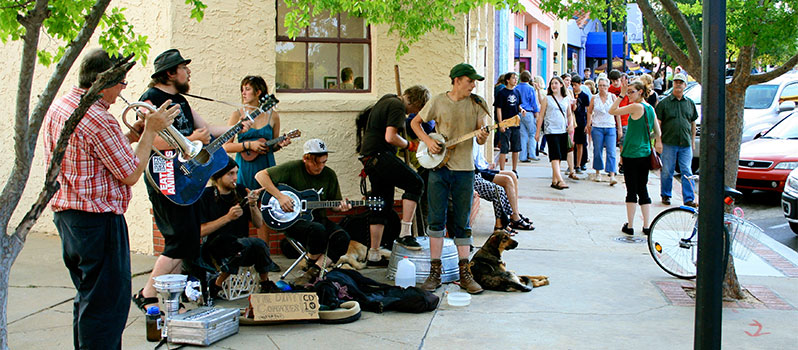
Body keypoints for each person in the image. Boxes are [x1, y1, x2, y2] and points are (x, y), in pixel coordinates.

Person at [43, 48, 178, 349]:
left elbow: (92, 154)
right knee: (107, 308)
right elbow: (130, 173)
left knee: (89, 299)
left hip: (70, 218)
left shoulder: (64, 105)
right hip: (97, 222)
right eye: (121, 84)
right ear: (105, 83)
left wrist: (132, 136)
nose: (122, 92)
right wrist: (150, 132)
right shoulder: (98, 117)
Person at [134, 49, 251, 312]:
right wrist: (194, 140)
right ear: (170, 73)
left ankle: (160, 295)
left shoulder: (182, 101)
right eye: (184, 69)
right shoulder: (150, 101)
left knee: (187, 241)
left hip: (187, 178)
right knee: (179, 240)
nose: (189, 73)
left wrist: (238, 127)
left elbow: (207, 131)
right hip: (166, 175)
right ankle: (148, 294)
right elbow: (149, 141)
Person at [411, 63, 490, 294]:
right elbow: (415, 123)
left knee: (462, 222)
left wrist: (484, 137)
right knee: (436, 219)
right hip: (439, 168)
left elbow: (481, 136)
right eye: (469, 81)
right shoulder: (437, 101)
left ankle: (464, 272)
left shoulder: (477, 104)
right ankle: (434, 273)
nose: (473, 85)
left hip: (465, 170)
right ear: (456, 80)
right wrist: (427, 141)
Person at [255, 139, 352, 285]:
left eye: (324, 162)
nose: (320, 167)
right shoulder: (293, 168)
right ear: (305, 158)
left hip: (318, 219)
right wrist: (280, 196)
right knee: (317, 230)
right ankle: (311, 264)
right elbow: (260, 176)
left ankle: (312, 271)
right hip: (293, 220)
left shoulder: (329, 174)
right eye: (316, 163)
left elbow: (334, 206)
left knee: (342, 237)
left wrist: (341, 207)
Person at [359, 85, 430, 265]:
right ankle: (405, 234)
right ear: (416, 102)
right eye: (418, 109)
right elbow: (390, 137)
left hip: (370, 160)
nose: (414, 114)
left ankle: (373, 253)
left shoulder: (386, 99)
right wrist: (410, 145)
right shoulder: (397, 106)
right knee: (416, 183)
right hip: (381, 156)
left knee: (381, 204)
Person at [199, 158, 279, 296]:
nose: (235, 177)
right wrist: (227, 218)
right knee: (238, 243)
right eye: (230, 174)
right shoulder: (205, 196)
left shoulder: (241, 191)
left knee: (256, 244)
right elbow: (200, 231)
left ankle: (265, 283)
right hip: (215, 248)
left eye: (236, 173)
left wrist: (253, 205)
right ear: (218, 176)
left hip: (242, 246)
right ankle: (217, 284)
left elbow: (258, 224)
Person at [609, 80, 662, 235]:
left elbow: (612, 110)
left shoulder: (636, 107)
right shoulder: (650, 108)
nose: (629, 94)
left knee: (631, 189)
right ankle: (646, 226)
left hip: (632, 154)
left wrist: (621, 94)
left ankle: (630, 225)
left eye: (632, 91)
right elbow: (657, 132)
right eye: (629, 91)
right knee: (643, 188)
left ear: (640, 92)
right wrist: (645, 138)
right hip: (645, 153)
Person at [224, 76, 291, 191]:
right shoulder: (237, 115)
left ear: (258, 92)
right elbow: (226, 146)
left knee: (266, 198)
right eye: (242, 89)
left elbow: (272, 146)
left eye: (247, 89)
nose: (243, 93)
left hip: (266, 164)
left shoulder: (273, 116)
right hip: (245, 166)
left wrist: (279, 144)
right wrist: (249, 145)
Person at [655, 73, 698, 207]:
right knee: (668, 169)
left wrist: (692, 141)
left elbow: (693, 123)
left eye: (681, 82)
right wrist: (658, 141)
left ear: (685, 85)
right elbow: (658, 123)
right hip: (669, 142)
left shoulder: (690, 103)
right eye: (676, 82)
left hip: (685, 144)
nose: (678, 85)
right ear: (672, 84)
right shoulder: (664, 104)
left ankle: (689, 198)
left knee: (687, 170)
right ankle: (666, 195)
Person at [473, 139, 534, 231]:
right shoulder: (469, 137)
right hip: (478, 172)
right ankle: (514, 218)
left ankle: (515, 212)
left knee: (512, 175)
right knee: (507, 180)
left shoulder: (478, 136)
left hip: (483, 168)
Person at [535, 76, 574, 190]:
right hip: (551, 130)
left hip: (562, 130)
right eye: (552, 83)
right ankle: (560, 180)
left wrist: (570, 124)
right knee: (554, 156)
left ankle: (554, 180)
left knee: (560, 156)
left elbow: (569, 114)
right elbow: (541, 116)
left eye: (556, 83)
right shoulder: (547, 99)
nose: (554, 86)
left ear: (561, 85)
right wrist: (538, 132)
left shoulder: (566, 99)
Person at [586, 76, 621, 184]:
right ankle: (598, 172)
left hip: (610, 126)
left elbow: (617, 112)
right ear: (598, 86)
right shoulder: (594, 98)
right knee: (598, 151)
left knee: (611, 151)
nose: (602, 88)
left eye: (605, 85)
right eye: (600, 85)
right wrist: (589, 124)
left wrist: (619, 128)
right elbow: (589, 111)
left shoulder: (612, 97)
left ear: (608, 86)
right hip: (597, 127)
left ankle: (612, 174)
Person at [494, 72, 525, 175]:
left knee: (516, 148)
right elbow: (499, 108)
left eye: (516, 78)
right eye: (513, 78)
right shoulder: (502, 93)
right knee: (504, 147)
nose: (515, 80)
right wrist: (501, 123)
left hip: (515, 123)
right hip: (506, 123)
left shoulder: (517, 92)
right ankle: (502, 170)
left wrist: (522, 110)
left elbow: (518, 106)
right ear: (507, 80)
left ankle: (514, 169)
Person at [515, 70, 540, 162]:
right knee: (532, 133)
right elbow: (533, 102)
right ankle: (532, 154)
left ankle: (522, 156)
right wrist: (537, 112)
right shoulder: (530, 88)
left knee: (523, 135)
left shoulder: (516, 88)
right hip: (528, 112)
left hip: (519, 112)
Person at [571, 75, 591, 175]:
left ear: (580, 84)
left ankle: (579, 164)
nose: (573, 87)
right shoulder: (570, 95)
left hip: (581, 122)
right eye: (572, 85)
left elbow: (588, 111)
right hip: (572, 122)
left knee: (580, 144)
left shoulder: (584, 96)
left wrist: (588, 124)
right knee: (571, 144)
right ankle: (572, 164)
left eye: (575, 85)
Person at [532, 75, 548, 156]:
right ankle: (541, 147)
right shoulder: (544, 92)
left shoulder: (536, 92)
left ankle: (536, 149)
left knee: (536, 131)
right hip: (543, 113)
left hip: (538, 113)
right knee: (544, 131)